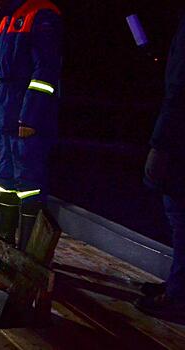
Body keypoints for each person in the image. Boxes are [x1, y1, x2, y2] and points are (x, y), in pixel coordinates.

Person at [0, 0, 62, 250]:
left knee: (28, 183)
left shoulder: (42, 14)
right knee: (4, 179)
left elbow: (45, 72)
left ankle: (27, 251)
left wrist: (31, 117)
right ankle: (1, 242)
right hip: (5, 116)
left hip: (26, 120)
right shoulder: (6, 19)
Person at [136, 10, 185, 322]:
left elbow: (179, 89)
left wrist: (160, 143)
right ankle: (177, 284)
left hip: (179, 138)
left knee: (180, 214)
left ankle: (178, 296)